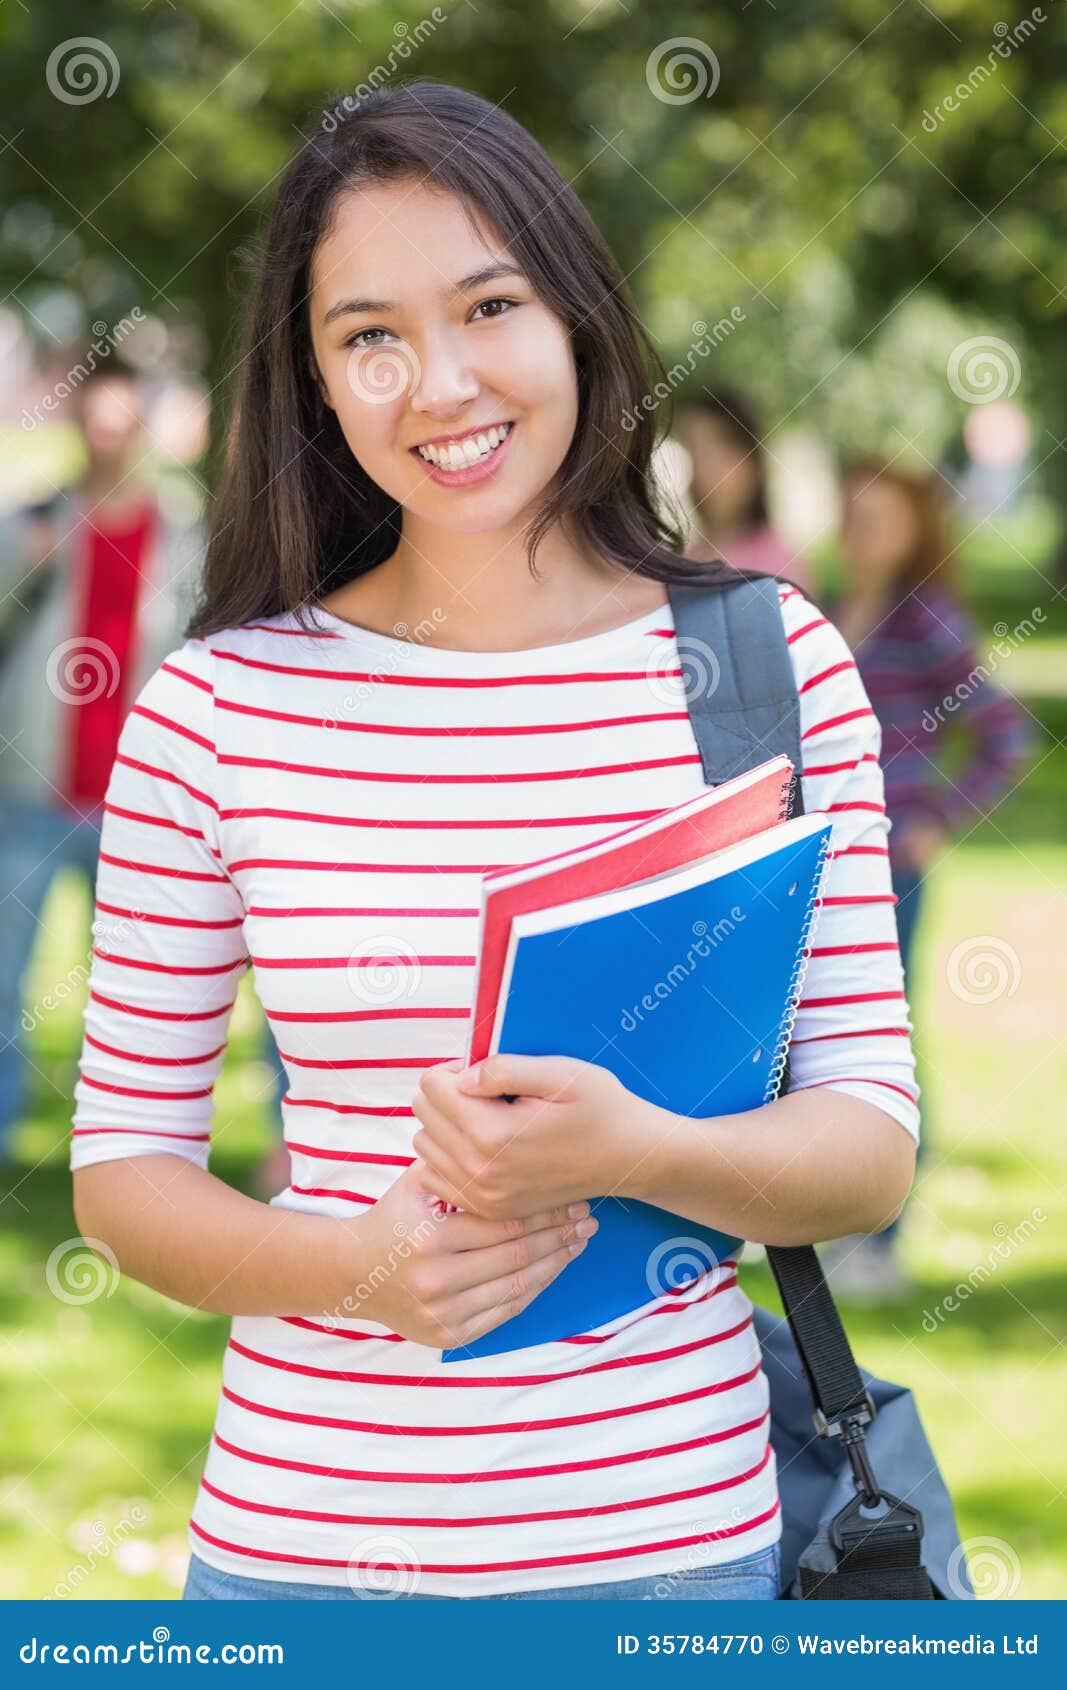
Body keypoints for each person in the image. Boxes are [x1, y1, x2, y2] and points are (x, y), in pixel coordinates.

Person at [69, 80, 919, 1603]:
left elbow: (865, 1147)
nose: (440, 383)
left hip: (672, 1560)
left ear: (575, 315)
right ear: (314, 382)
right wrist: (355, 1273)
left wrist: (639, 1153)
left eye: (488, 305)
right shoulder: (218, 706)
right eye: (368, 336)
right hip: (301, 1562)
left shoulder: (764, 666)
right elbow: (125, 1171)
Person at [821, 458, 1032, 1297]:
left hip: (891, 862)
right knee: (817, 1042)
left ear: (914, 530)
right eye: (852, 515)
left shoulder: (925, 622)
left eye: (880, 519)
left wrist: (939, 816)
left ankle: (884, 1241)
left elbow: (1003, 734)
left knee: (883, 1033)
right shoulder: (833, 611)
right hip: (827, 856)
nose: (861, 533)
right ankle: (829, 1226)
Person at [0, 358, 206, 1162]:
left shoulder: (184, 536)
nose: (109, 441)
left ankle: (126, 1148)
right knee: (5, 978)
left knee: (136, 992)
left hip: (135, 802)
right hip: (30, 791)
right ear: (78, 426)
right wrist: (31, 557)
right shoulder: (34, 523)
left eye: (124, 426)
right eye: (96, 424)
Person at [676, 389, 814, 595]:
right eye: (696, 454)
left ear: (752, 463)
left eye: (719, 455)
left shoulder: (780, 566)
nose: (705, 472)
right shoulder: (684, 560)